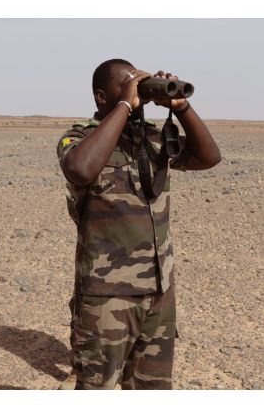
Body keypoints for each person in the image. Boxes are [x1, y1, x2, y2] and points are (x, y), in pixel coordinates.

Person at [57, 58, 221, 389]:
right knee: (97, 387)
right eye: (126, 83)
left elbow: (208, 157)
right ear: (102, 97)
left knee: (153, 388)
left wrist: (182, 107)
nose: (136, 89)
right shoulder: (80, 137)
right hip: (108, 293)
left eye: (138, 82)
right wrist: (124, 104)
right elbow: (80, 169)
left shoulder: (150, 137)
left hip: (159, 291)